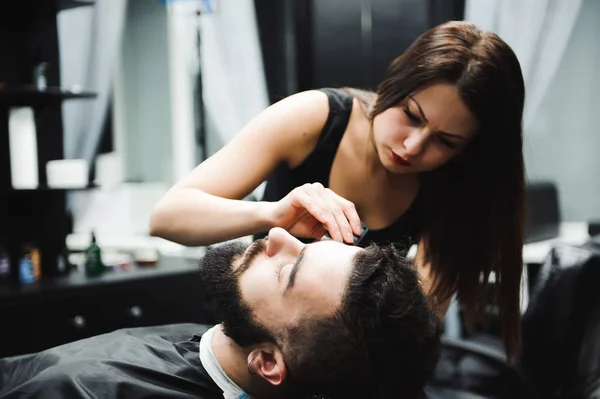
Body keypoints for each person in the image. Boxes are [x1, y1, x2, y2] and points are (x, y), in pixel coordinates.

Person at [149, 20, 526, 359]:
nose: (412, 147)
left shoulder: (449, 185)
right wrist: (273, 213)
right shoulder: (314, 118)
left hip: (344, 365)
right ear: (396, 82)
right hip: (251, 343)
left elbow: (417, 327)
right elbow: (167, 217)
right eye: (411, 115)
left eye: (445, 141)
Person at [0, 228, 441, 399]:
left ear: (267, 362)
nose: (277, 234)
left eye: (287, 269)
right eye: (307, 242)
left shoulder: (78, 390)